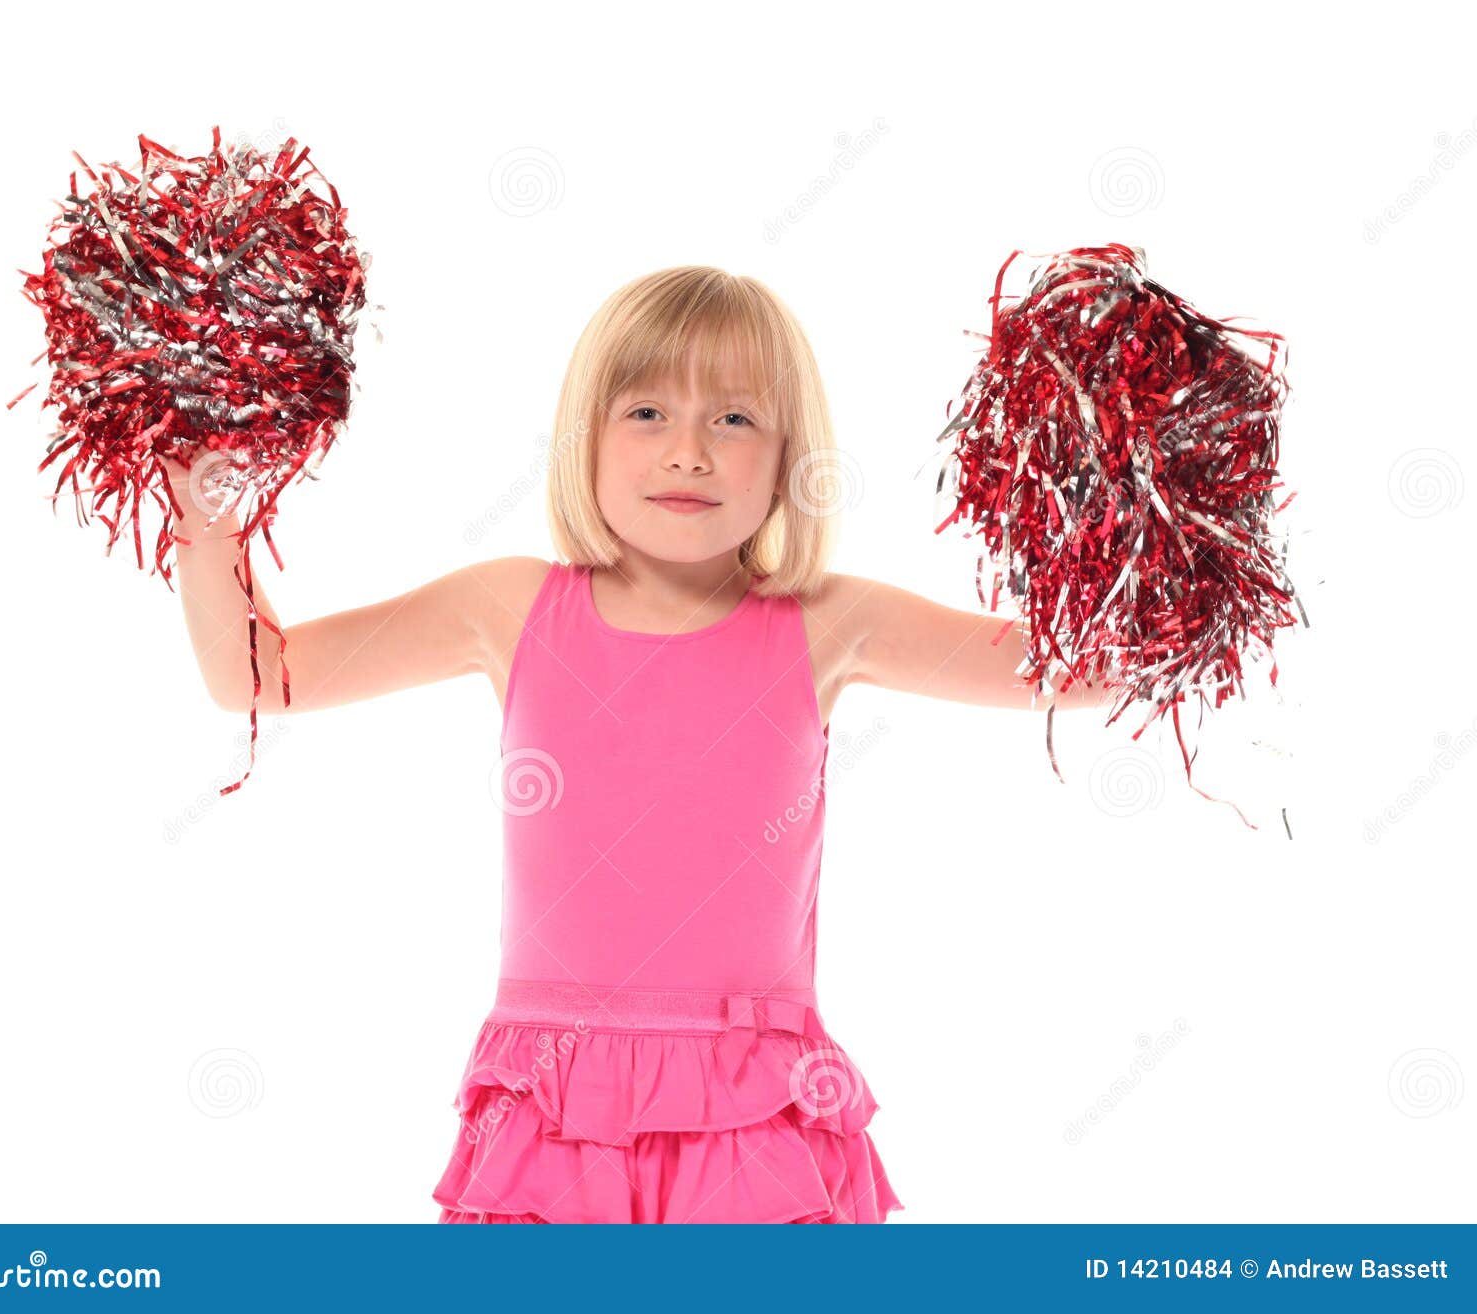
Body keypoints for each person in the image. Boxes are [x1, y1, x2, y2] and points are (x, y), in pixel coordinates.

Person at [167, 266, 1107, 1223]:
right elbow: (257, 675)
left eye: (734, 420)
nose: (689, 452)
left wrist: (1114, 493)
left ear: (790, 458)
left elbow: (1087, 670)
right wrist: (205, 517)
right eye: (647, 412)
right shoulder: (511, 606)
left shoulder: (824, 620)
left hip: (756, 1114)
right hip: (553, 1115)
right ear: (587, 437)